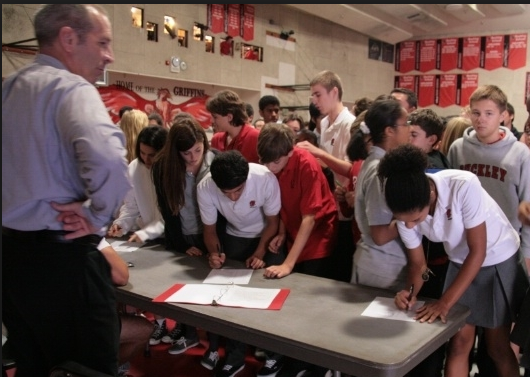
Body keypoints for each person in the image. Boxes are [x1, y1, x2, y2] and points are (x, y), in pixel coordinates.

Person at [2, 4, 131, 377]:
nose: (109, 55)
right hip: (64, 262)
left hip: (11, 261)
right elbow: (109, 160)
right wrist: (96, 215)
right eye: (103, 42)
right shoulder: (71, 88)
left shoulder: (9, 89)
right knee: (86, 369)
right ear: (69, 39)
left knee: (33, 364)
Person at [377, 144, 529, 377]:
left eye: (416, 219)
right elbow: (418, 265)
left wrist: (444, 303)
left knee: (497, 347)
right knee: (458, 344)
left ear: (430, 194)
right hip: (460, 262)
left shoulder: (463, 185)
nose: (409, 226)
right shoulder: (406, 210)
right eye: (402, 221)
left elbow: (478, 251)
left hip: (497, 257)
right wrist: (409, 292)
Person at [447, 84, 530, 376]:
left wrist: (527, 254)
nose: (481, 119)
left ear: (504, 116)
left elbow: (527, 206)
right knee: (458, 341)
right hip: (463, 252)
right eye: (476, 112)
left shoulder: (520, 154)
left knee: (497, 345)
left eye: (489, 113)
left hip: (501, 254)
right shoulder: (458, 148)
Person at [257, 123, 338, 377]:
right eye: (266, 162)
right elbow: (283, 205)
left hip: (318, 237)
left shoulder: (306, 164)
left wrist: (288, 264)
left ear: (290, 153)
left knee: (314, 305)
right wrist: (281, 232)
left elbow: (309, 218)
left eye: (276, 162)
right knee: (295, 303)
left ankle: (320, 365)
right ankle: (298, 359)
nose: (270, 168)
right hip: (294, 232)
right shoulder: (273, 164)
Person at [197, 150, 282, 377]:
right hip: (234, 236)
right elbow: (209, 229)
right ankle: (235, 357)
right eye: (227, 193)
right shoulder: (205, 187)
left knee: (268, 295)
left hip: (266, 235)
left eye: (238, 191)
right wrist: (214, 253)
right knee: (229, 296)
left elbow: (274, 222)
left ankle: (274, 355)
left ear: (246, 180)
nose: (233, 198)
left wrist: (260, 251)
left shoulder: (264, 178)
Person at [151, 114, 218, 357]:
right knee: (185, 292)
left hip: (214, 234)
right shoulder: (163, 166)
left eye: (197, 150)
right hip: (184, 235)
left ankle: (214, 344)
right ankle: (189, 336)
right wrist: (180, 244)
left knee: (214, 293)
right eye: (186, 153)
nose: (193, 157)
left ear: (204, 141)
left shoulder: (216, 160)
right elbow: (166, 208)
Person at [351, 98, 410, 290]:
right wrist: (414, 215)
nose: (409, 129)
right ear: (389, 130)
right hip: (381, 266)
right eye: (406, 124)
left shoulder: (378, 162)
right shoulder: (380, 170)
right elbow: (380, 235)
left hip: (382, 262)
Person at [309, 69, 355, 283]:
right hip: (329, 201)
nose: (314, 100)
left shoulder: (349, 123)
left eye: (318, 94)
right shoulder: (325, 123)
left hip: (346, 205)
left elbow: (351, 167)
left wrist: (320, 154)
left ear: (334, 92)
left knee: (342, 265)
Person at [97, 238, 153, 377]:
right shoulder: (86, 234)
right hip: (74, 322)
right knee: (144, 329)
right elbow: (121, 277)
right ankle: (103, 371)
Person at [207, 89, 260, 163]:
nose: (211, 121)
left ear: (229, 117)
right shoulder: (216, 139)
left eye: (215, 117)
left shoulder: (256, 137)